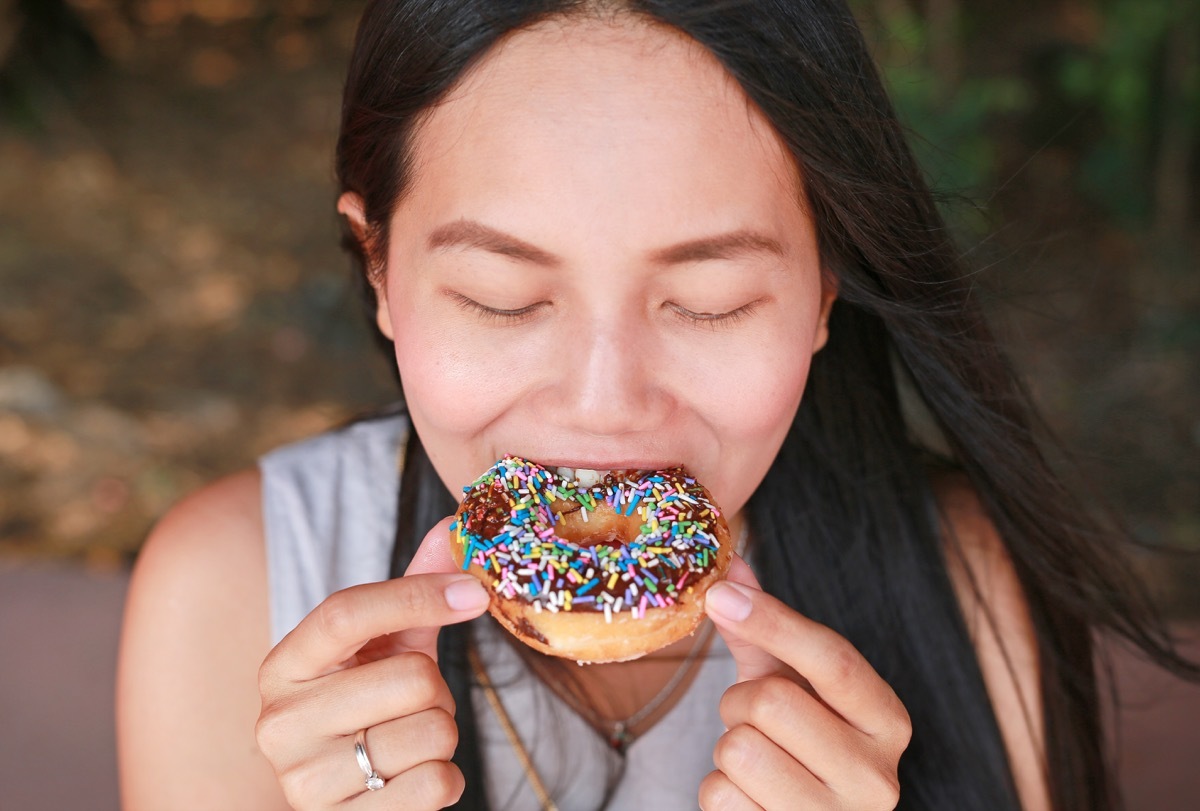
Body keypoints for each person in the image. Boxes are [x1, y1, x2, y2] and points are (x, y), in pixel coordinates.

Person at [115, 2, 1197, 810]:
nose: (604, 404)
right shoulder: (237, 591)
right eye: (505, 298)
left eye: (707, 303)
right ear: (379, 269)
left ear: (825, 291)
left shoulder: (957, 585)